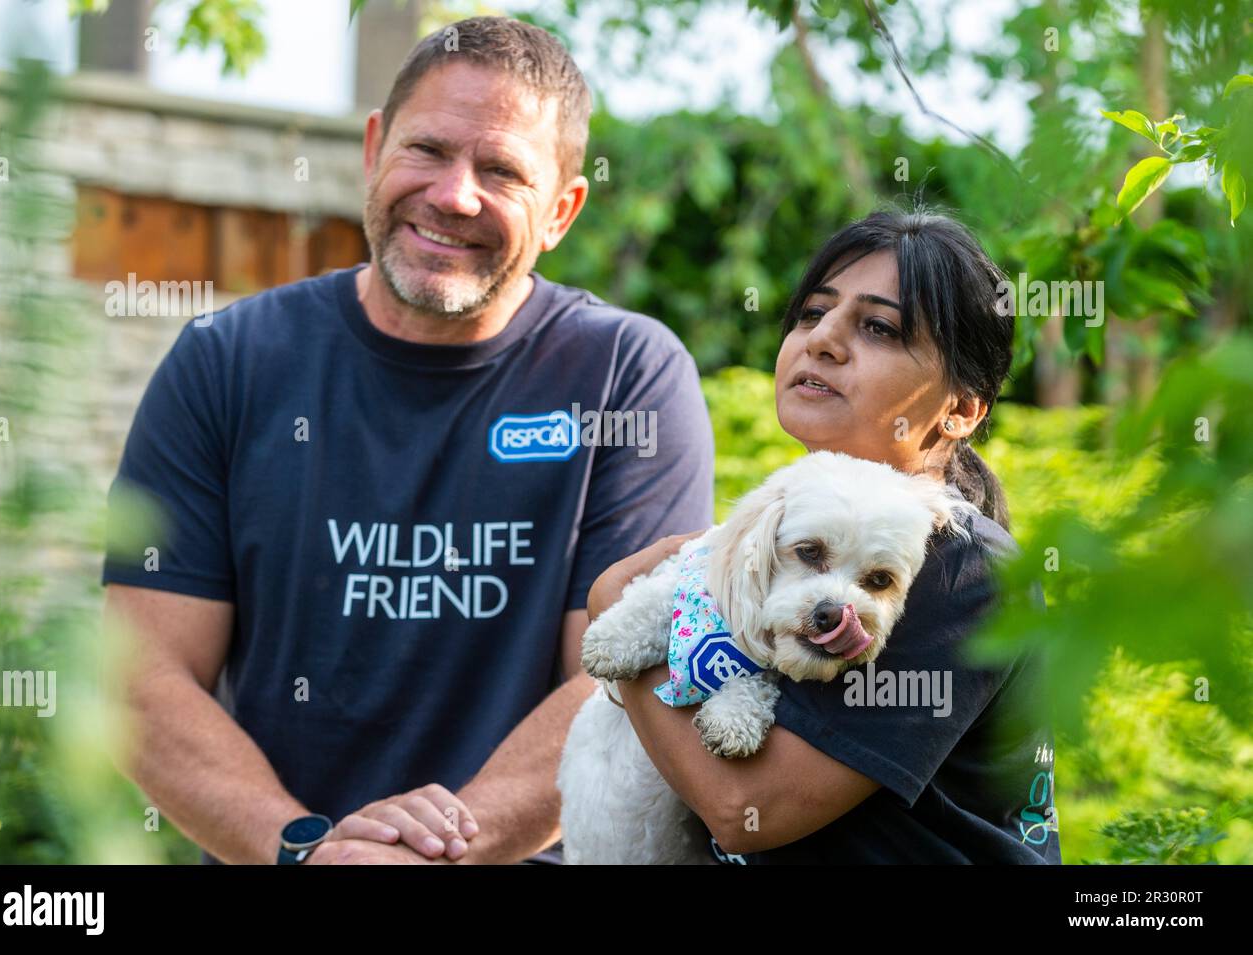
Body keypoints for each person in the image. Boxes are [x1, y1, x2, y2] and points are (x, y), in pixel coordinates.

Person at [100, 16, 714, 865]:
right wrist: (307, 852)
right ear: (374, 149)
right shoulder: (228, 363)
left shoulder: (625, 376)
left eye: (501, 170)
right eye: (428, 150)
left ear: (562, 212)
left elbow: (617, 682)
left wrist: (436, 855)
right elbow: (144, 674)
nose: (454, 193)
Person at [588, 209, 1062, 864]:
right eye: (812, 312)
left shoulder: (958, 564)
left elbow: (745, 809)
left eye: (879, 327)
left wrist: (623, 611)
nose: (822, 340)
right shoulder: (793, 522)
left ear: (960, 408)